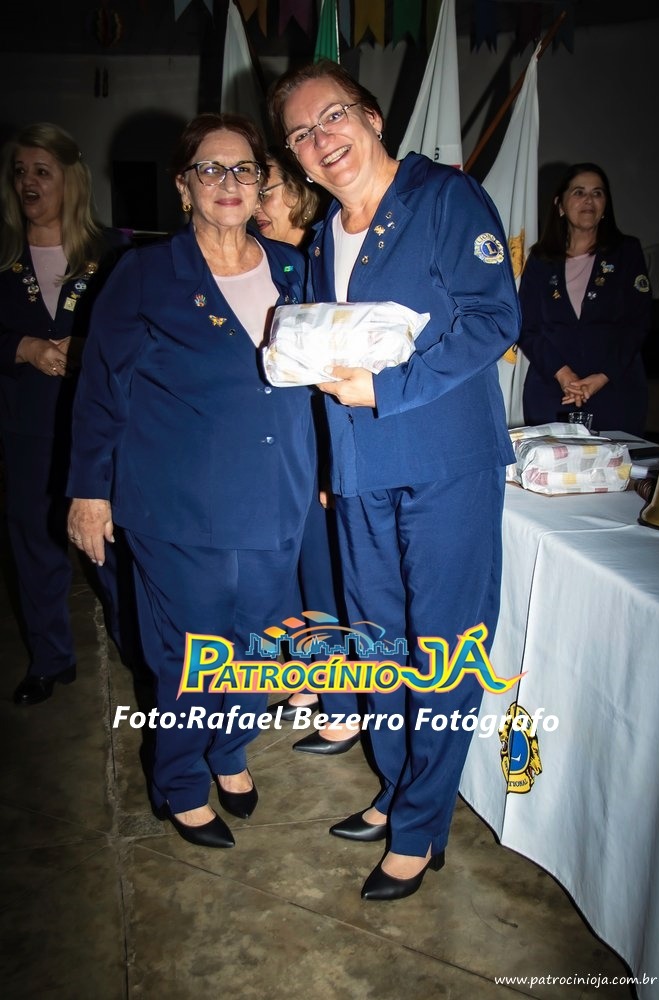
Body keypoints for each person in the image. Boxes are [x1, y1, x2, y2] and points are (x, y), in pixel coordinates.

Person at [268, 61, 520, 900]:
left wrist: (386, 388)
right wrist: (329, 462)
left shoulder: (443, 199)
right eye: (300, 133)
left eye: (332, 116)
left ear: (372, 118)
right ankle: (399, 785)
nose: (320, 139)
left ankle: (419, 826)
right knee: (378, 646)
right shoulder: (320, 240)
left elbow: (494, 317)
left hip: (446, 462)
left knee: (442, 647)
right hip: (361, 470)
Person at [66, 113, 316, 849]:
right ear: (184, 187)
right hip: (177, 507)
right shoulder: (144, 274)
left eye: (244, 169)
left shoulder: (292, 268)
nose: (229, 182)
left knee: (261, 647)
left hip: (277, 497)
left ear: (261, 184)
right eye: (211, 169)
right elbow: (102, 390)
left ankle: (229, 751)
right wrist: (89, 491)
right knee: (191, 656)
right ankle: (179, 781)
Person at [0, 122, 132, 707]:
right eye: (20, 172)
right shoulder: (3, 254)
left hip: (98, 429)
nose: (28, 182)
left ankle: (139, 650)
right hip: (26, 427)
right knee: (35, 544)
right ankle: (50, 660)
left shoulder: (113, 252)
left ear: (69, 179)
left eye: (41, 171)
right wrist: (23, 347)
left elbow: (135, 333)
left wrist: (85, 349)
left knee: (111, 546)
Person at [253, 153, 360, 751]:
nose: (256, 204)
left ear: (299, 192)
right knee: (295, 577)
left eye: (266, 190)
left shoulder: (321, 259)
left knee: (324, 579)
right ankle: (312, 679)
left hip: (322, 443)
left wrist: (329, 463)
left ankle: (344, 708)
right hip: (283, 450)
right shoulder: (272, 262)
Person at [518, 162, 652, 434]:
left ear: (605, 206)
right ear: (560, 205)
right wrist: (563, 375)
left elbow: (637, 322)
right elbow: (525, 326)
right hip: (552, 392)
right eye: (579, 192)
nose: (589, 200)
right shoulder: (541, 260)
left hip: (615, 391)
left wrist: (601, 377)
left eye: (597, 193)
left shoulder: (626, 252)